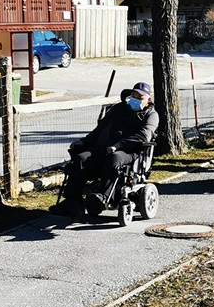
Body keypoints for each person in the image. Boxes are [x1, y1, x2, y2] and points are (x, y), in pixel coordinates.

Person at [55, 82, 159, 217]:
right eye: (133, 96)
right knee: (81, 159)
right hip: (104, 148)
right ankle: (72, 202)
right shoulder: (118, 109)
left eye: (140, 97)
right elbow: (99, 130)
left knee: (114, 158)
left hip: (130, 151)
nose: (136, 99)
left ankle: (102, 197)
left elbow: (144, 135)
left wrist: (118, 146)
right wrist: (83, 142)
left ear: (148, 99)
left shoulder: (151, 114)